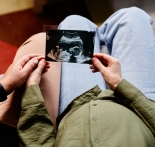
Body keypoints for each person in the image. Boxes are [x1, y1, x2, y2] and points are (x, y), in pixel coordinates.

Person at [17, 7, 155, 147]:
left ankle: (100, 42)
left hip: (78, 105)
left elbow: (37, 141)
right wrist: (120, 84)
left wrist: (31, 87)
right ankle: (102, 42)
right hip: (139, 110)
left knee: (73, 22)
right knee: (132, 16)